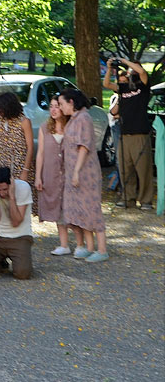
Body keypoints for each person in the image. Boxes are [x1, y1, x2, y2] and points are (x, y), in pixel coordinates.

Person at [59, 90, 109, 262]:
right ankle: (89, 247)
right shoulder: (74, 118)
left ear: (71, 102)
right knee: (80, 208)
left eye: (62, 103)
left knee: (91, 208)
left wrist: (77, 171)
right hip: (74, 172)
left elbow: (84, 146)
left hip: (85, 172)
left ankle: (102, 249)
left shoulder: (84, 118)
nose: (60, 107)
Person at [103, 56, 154, 211]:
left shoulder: (142, 87)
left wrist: (125, 62)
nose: (128, 72)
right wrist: (109, 68)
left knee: (143, 169)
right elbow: (106, 84)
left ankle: (145, 200)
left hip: (140, 134)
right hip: (125, 134)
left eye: (131, 70)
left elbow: (143, 72)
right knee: (125, 168)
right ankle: (128, 198)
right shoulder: (123, 89)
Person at [36, 95, 75, 256]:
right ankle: (64, 243)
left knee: (71, 206)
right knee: (57, 209)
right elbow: (41, 153)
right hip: (51, 173)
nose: (53, 110)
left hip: (69, 173)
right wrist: (38, 176)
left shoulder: (71, 127)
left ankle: (82, 242)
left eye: (56, 106)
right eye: (50, 106)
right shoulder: (45, 128)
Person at [0, 167, 35, 280]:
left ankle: (19, 260)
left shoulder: (23, 188)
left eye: (4, 189)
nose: (1, 193)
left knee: (23, 274)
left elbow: (16, 222)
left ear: (11, 184)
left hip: (20, 237)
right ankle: (1, 263)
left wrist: (11, 197)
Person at [0, 92, 36, 214]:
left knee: (19, 198)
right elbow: (0, 145)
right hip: (3, 164)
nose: (0, 112)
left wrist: (25, 171)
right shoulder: (2, 121)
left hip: (19, 165)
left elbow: (30, 147)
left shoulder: (24, 121)